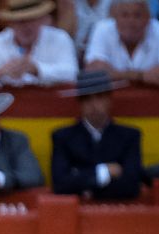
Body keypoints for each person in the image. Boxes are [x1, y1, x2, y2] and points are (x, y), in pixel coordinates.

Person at [51, 70, 141, 200]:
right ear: (80, 103)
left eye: (99, 97)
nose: (94, 105)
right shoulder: (63, 137)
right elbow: (60, 184)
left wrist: (85, 186)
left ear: (109, 99)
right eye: (87, 99)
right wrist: (104, 172)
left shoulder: (129, 136)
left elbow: (132, 185)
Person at [0, 0, 79, 86]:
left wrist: (36, 69)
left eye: (32, 19)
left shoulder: (59, 38)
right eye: (20, 21)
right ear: (10, 23)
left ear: (42, 19)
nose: (26, 26)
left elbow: (71, 72)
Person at [84, 0, 159, 86]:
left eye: (137, 15)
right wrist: (141, 76)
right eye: (125, 15)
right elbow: (93, 70)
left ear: (148, 18)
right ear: (115, 18)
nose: (131, 21)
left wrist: (115, 74)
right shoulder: (102, 29)